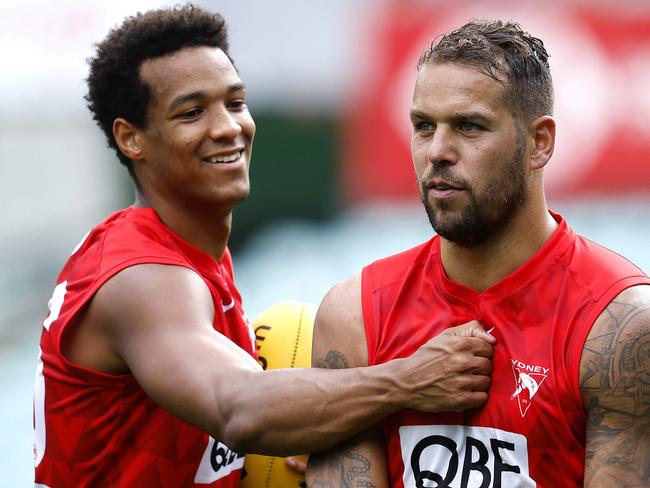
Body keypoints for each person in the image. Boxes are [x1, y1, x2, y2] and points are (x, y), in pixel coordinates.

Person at [33, 5, 499, 487]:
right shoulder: (143, 278)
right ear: (131, 139)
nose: (228, 127)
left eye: (235, 103)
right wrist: (408, 380)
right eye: (192, 112)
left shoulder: (187, 250)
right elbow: (239, 409)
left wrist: (300, 439)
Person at [306, 19, 650, 488]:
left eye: (469, 126)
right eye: (424, 126)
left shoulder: (620, 327)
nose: (438, 152)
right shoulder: (353, 317)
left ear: (539, 142)